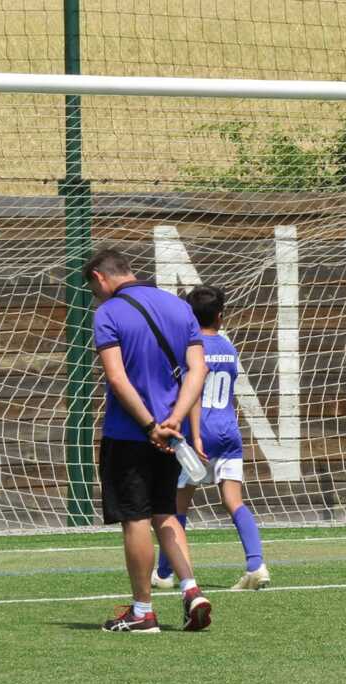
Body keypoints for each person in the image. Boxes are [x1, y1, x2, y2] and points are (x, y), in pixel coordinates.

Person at [86, 246, 213, 632]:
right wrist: (174, 419)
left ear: (100, 278)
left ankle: (143, 611)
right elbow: (198, 369)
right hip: (172, 434)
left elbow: (116, 377)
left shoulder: (108, 312)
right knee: (166, 513)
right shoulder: (179, 307)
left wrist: (148, 425)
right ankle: (191, 589)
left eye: (94, 290)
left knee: (135, 518)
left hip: (130, 433)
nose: (96, 296)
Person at [151, 285, 270, 591]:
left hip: (198, 433)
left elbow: (191, 393)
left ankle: (164, 572)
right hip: (228, 430)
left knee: (176, 507)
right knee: (234, 501)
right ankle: (256, 564)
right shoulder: (228, 348)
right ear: (220, 316)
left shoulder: (190, 348)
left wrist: (192, 434)